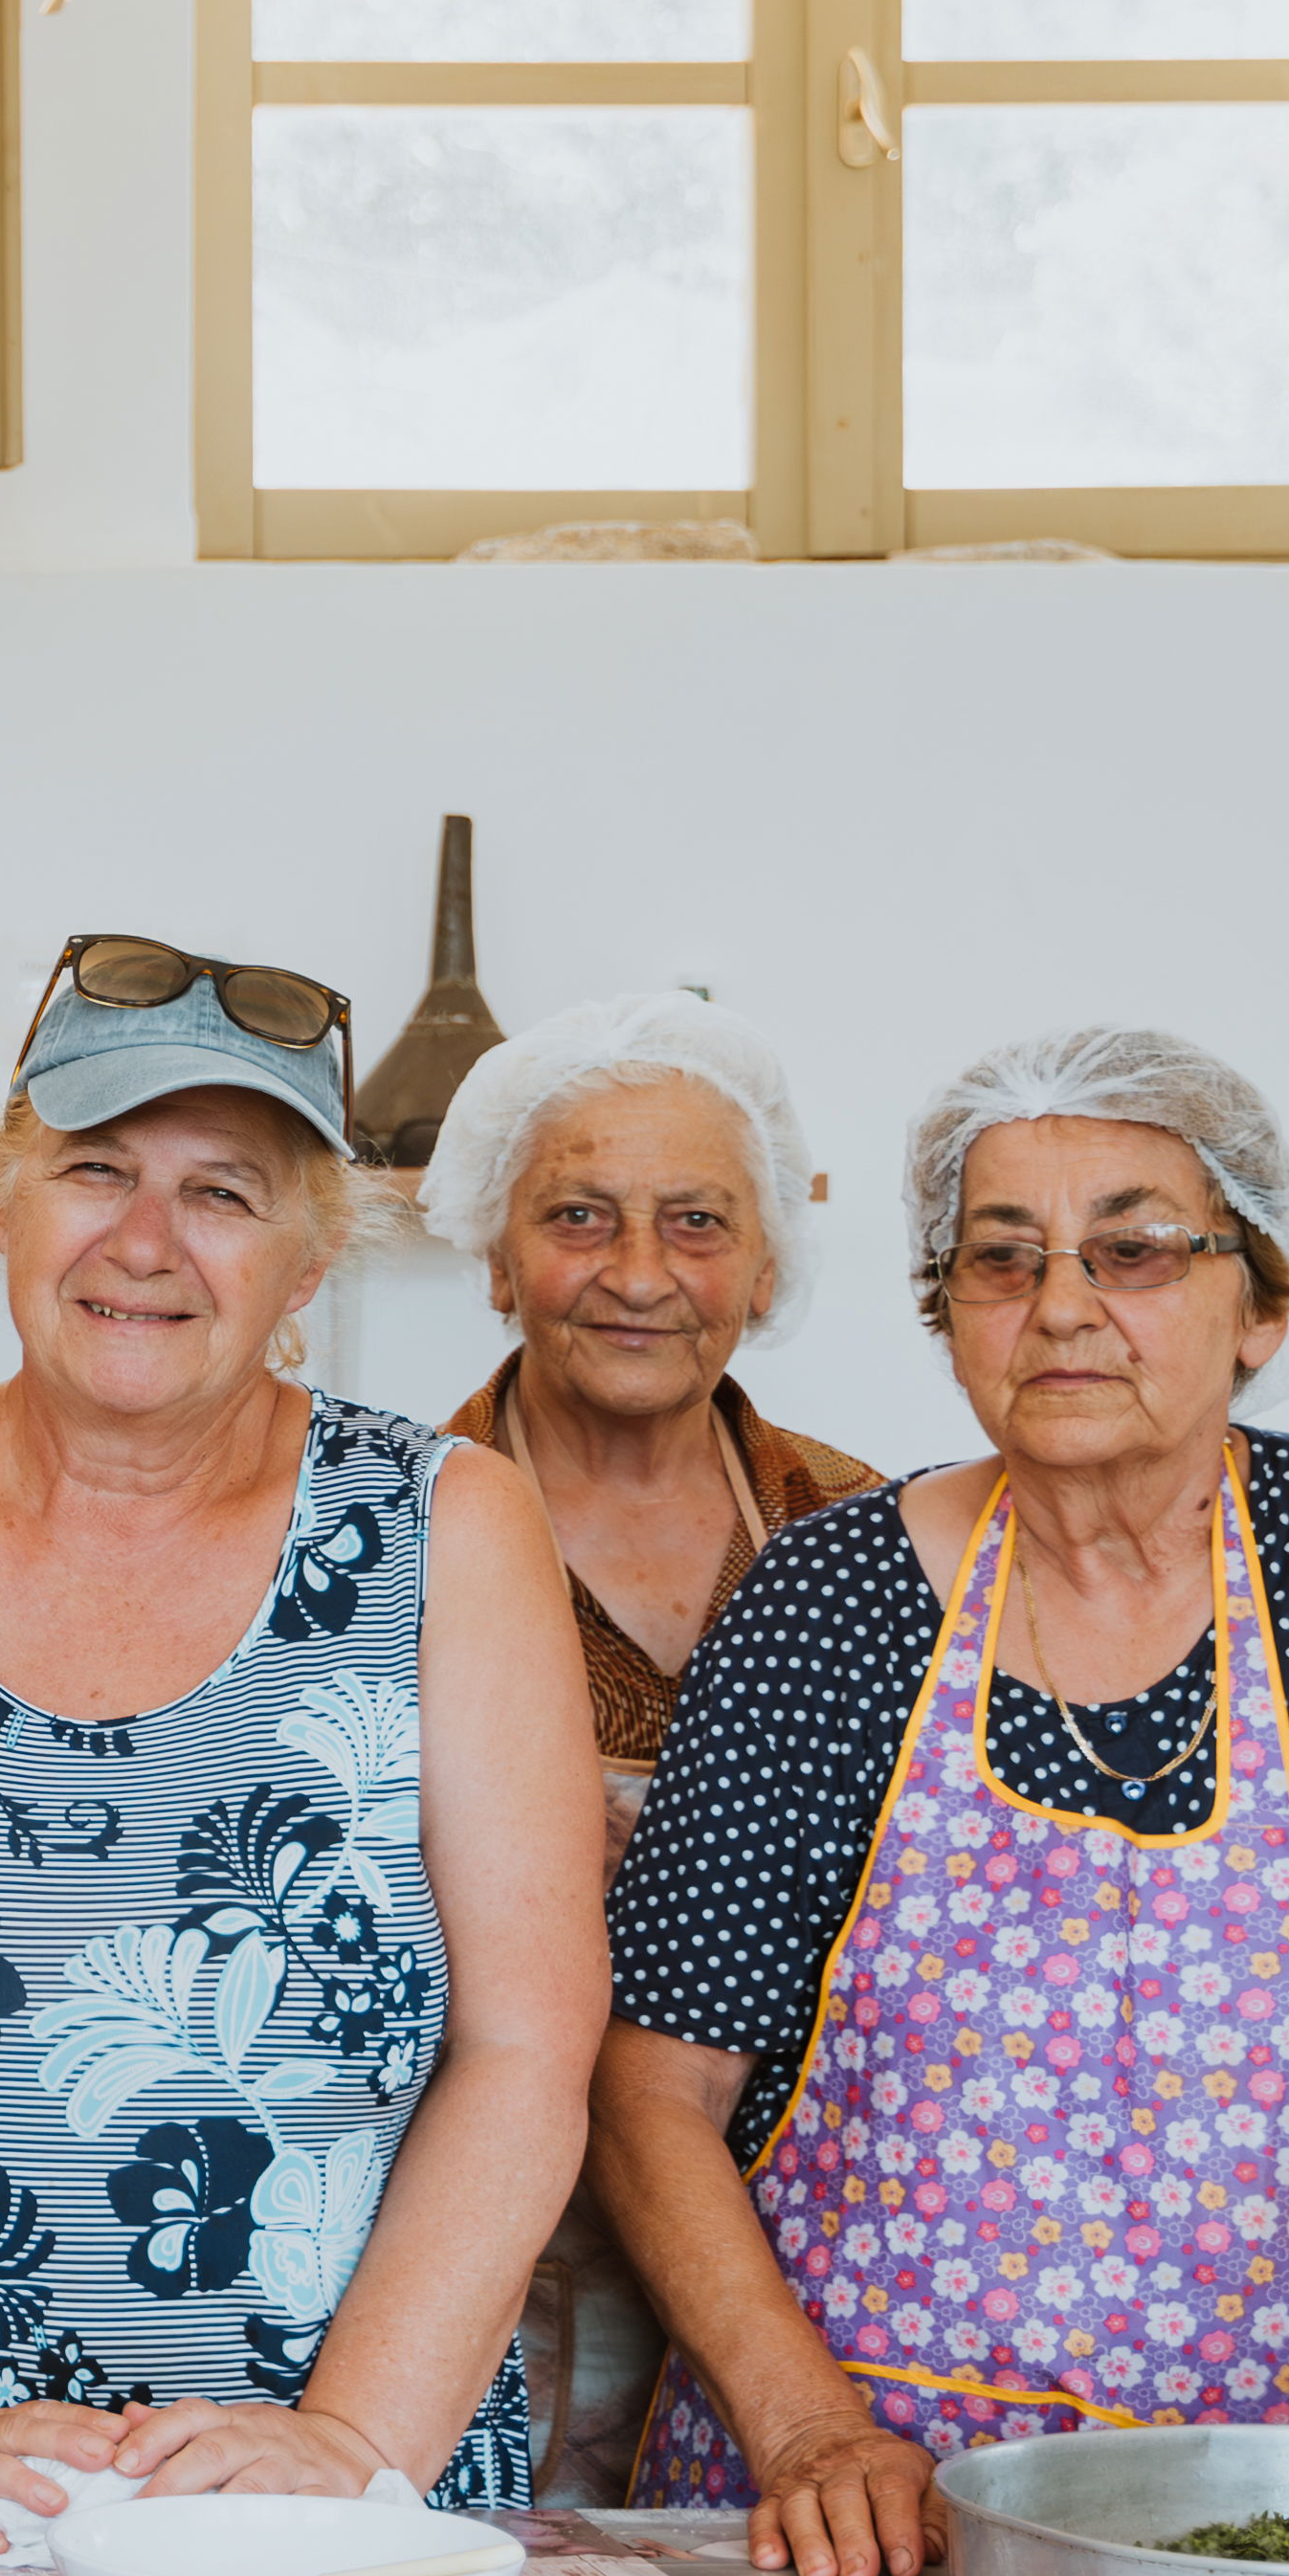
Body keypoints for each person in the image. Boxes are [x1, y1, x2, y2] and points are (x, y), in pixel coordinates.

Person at [604, 1027, 1289, 2576]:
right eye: (1002, 1258)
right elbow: (653, 2094)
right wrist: (810, 2431)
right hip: (864, 2529)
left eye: (1137, 1250)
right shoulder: (821, 1610)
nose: (1064, 1308)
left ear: (1263, 1300)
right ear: (947, 1311)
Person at [0, 936, 608, 2543]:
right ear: (6, 1200)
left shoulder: (450, 1529)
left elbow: (527, 2048)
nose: (144, 1243)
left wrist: (347, 2443)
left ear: (309, 1261)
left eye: (224, 1192)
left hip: (334, 2519)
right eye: (93, 1170)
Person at [413, 990, 882, 2493]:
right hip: (477, 2236)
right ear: (496, 1254)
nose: (637, 1274)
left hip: (809, 2245)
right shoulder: (381, 1526)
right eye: (577, 1216)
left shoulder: (870, 1538)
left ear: (763, 1259)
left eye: (695, 1222)